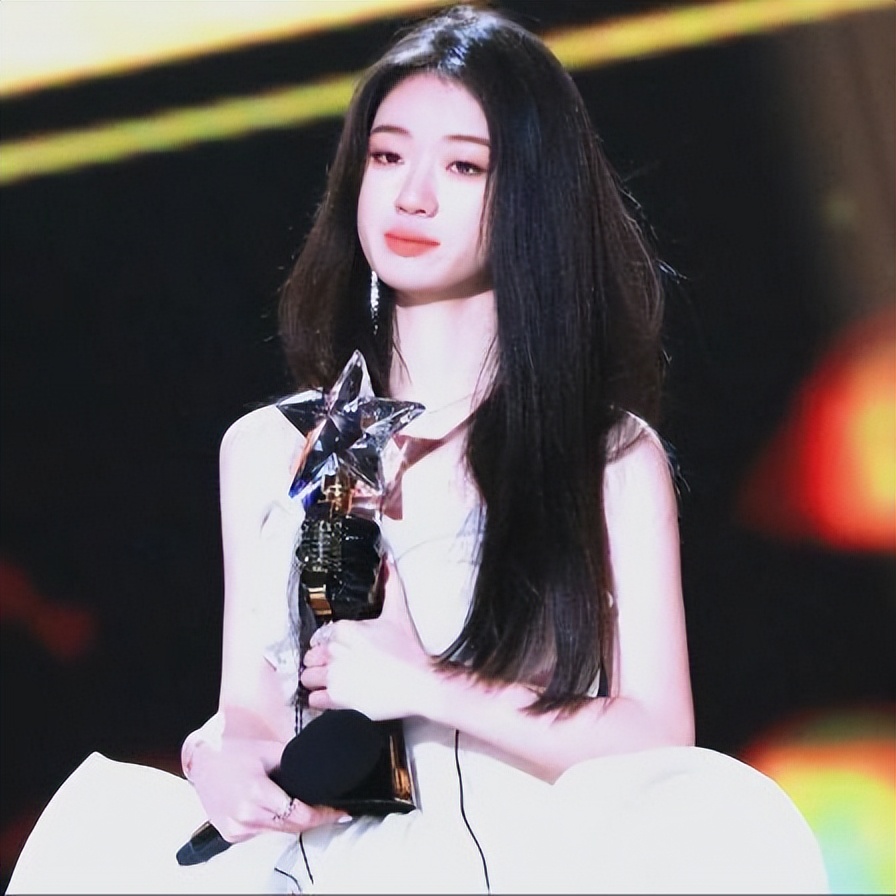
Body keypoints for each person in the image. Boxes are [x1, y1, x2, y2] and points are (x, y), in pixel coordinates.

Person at [6, 4, 828, 894]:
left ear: (532, 194)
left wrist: (430, 684)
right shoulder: (270, 448)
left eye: (464, 166)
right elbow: (248, 709)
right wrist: (221, 755)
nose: (412, 196)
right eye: (388, 156)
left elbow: (659, 740)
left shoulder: (607, 456)